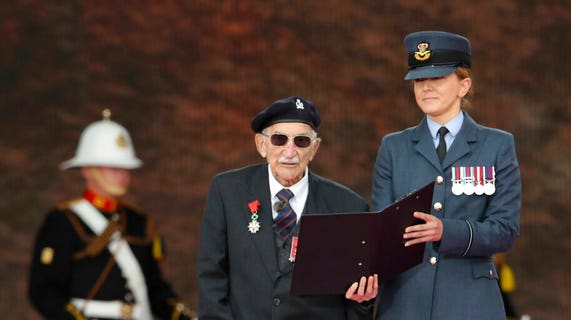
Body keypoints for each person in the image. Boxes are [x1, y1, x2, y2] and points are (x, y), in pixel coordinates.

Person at [372, 31, 522, 319]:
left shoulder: (497, 146)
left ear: (463, 85)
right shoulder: (393, 147)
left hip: (471, 305)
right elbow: (381, 232)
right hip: (405, 303)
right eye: (419, 80)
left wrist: (447, 231)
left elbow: (505, 230)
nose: (426, 88)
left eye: (437, 79)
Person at [197, 96, 378, 320]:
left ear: (314, 148)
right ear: (261, 145)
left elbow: (357, 303)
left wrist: (364, 298)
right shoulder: (228, 191)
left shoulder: (349, 206)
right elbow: (211, 277)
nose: (289, 152)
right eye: (279, 139)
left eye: (301, 141)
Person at [28, 110, 196, 320]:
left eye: (125, 167)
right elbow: (45, 291)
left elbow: (155, 291)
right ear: (88, 170)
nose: (122, 174)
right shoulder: (63, 221)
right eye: (113, 167)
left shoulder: (139, 221)